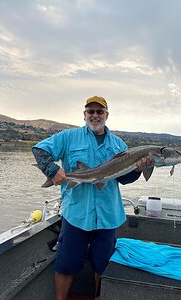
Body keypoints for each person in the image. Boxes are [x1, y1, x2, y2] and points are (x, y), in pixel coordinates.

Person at [32, 96, 152, 300]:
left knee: (102, 265)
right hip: (76, 214)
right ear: (84, 114)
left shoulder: (118, 144)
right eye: (91, 111)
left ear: (107, 115)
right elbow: (39, 149)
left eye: (100, 111)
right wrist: (52, 170)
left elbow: (124, 179)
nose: (95, 115)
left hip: (107, 215)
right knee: (65, 264)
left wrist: (140, 169)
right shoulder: (69, 137)